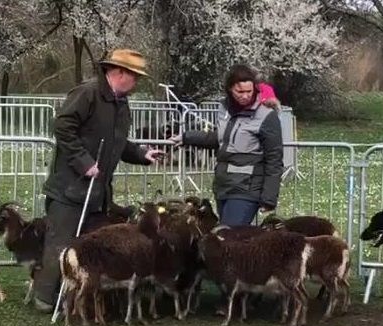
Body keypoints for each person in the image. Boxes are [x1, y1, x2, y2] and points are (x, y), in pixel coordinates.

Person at [31, 49, 164, 312]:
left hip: (97, 192)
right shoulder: (87, 93)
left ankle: (76, 295)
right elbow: (63, 127)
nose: (136, 83)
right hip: (70, 188)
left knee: (87, 247)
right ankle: (46, 298)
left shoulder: (121, 104)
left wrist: (141, 153)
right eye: (134, 77)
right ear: (119, 73)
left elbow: (117, 143)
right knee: (60, 242)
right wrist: (83, 161)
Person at [170, 64, 284, 226]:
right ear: (230, 89)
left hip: (247, 188)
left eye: (249, 92)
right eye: (240, 92)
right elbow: (221, 138)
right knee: (227, 239)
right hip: (223, 185)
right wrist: (187, 137)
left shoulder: (266, 117)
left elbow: (274, 158)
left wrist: (269, 197)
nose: (245, 96)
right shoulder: (225, 110)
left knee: (228, 238)